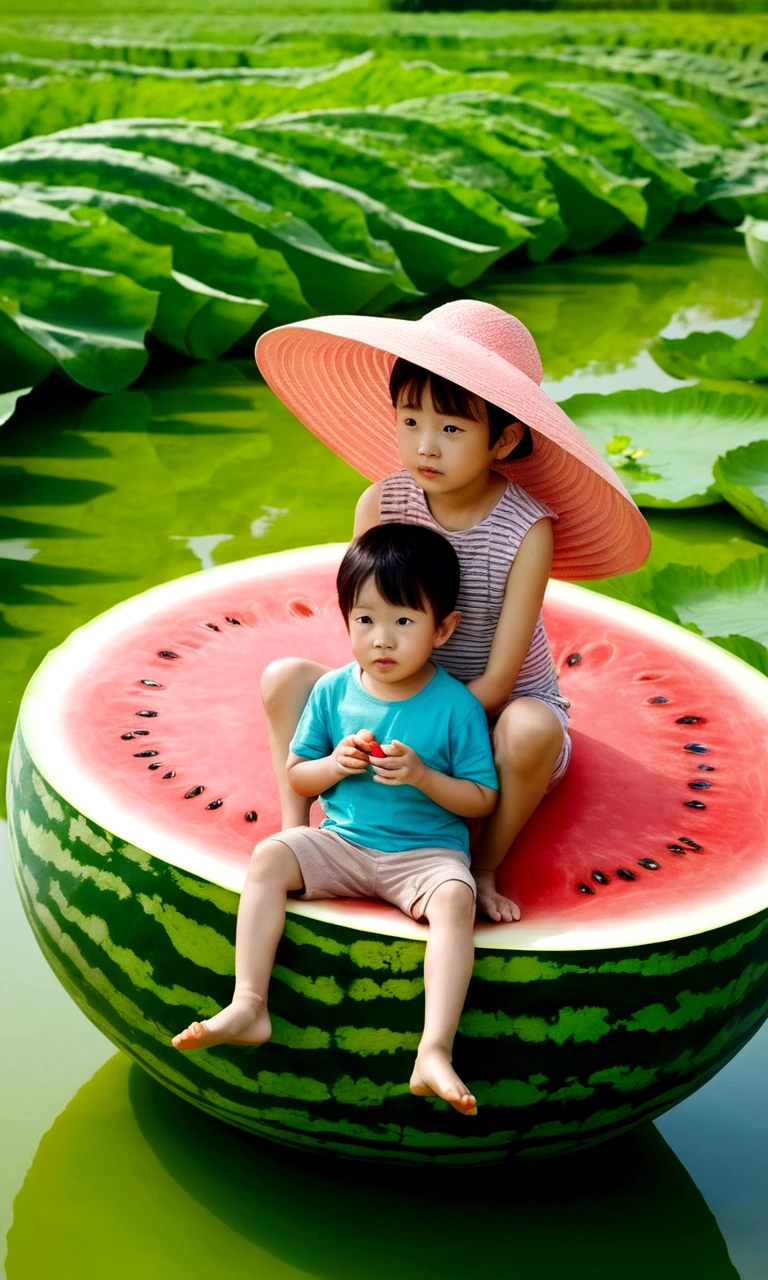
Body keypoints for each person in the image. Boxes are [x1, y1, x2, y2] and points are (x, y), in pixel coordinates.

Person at [255, 299, 650, 924]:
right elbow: (367, 630)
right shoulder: (380, 502)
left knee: (533, 729)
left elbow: (497, 681)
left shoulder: (527, 529)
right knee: (284, 677)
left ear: (506, 437)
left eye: (451, 428)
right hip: (395, 704)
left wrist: (418, 733)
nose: (424, 445)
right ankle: (293, 831)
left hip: (485, 725)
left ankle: (482, 864)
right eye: (410, 420)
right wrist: (374, 714)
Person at [172, 523, 498, 1117]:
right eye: (365, 619)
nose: (383, 639)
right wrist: (332, 765)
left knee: (456, 899)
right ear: (346, 619)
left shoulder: (456, 706)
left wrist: (425, 777)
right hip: (343, 844)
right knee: (271, 855)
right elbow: (298, 775)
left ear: (442, 629)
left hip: (424, 859)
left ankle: (434, 1050)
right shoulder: (330, 691)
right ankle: (249, 1003)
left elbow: (482, 799)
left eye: (404, 621)